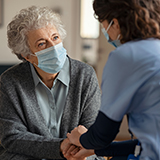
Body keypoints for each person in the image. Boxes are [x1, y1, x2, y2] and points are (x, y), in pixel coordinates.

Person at [0, 6, 104, 160]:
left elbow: (92, 128)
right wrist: (59, 147)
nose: (53, 47)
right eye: (42, 44)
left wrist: (72, 150)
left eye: (55, 38)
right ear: (27, 56)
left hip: (80, 154)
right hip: (30, 156)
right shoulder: (10, 81)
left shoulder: (85, 74)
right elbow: (12, 136)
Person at [66, 0, 160, 160]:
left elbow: (102, 135)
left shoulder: (126, 56)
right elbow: (145, 145)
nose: (106, 33)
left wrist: (80, 138)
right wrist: (96, 150)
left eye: (104, 25)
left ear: (115, 23)